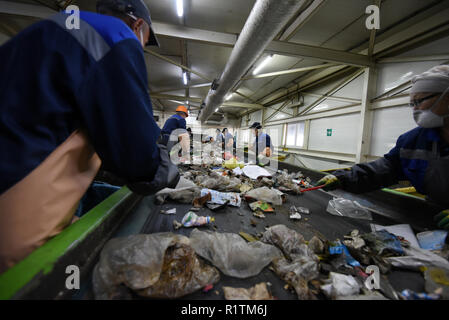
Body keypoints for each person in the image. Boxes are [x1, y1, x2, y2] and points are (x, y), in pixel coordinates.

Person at [0, 0, 180, 273]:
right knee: (29, 276)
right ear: (138, 25)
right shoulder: (116, 37)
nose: (141, 47)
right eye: (144, 41)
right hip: (16, 191)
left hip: (13, 162)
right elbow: (135, 152)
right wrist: (161, 172)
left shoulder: (48, 30)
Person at [315, 65, 449, 229]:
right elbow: (385, 168)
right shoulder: (413, 141)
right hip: (436, 218)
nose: (415, 109)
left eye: (420, 101)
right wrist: (343, 178)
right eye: (412, 103)